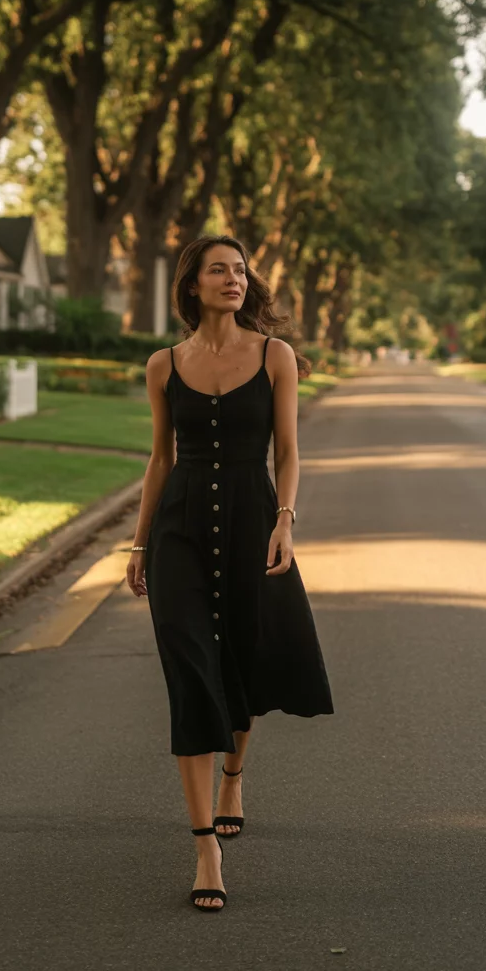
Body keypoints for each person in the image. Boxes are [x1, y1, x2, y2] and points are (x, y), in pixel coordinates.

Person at [126, 234, 333, 911]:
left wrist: (285, 518)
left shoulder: (276, 357)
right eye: (219, 270)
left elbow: (290, 451)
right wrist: (138, 543)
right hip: (178, 528)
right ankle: (204, 846)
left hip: (252, 517)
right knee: (190, 669)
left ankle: (234, 776)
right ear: (192, 286)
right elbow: (161, 459)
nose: (234, 279)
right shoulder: (164, 365)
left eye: (241, 270)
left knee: (243, 659)